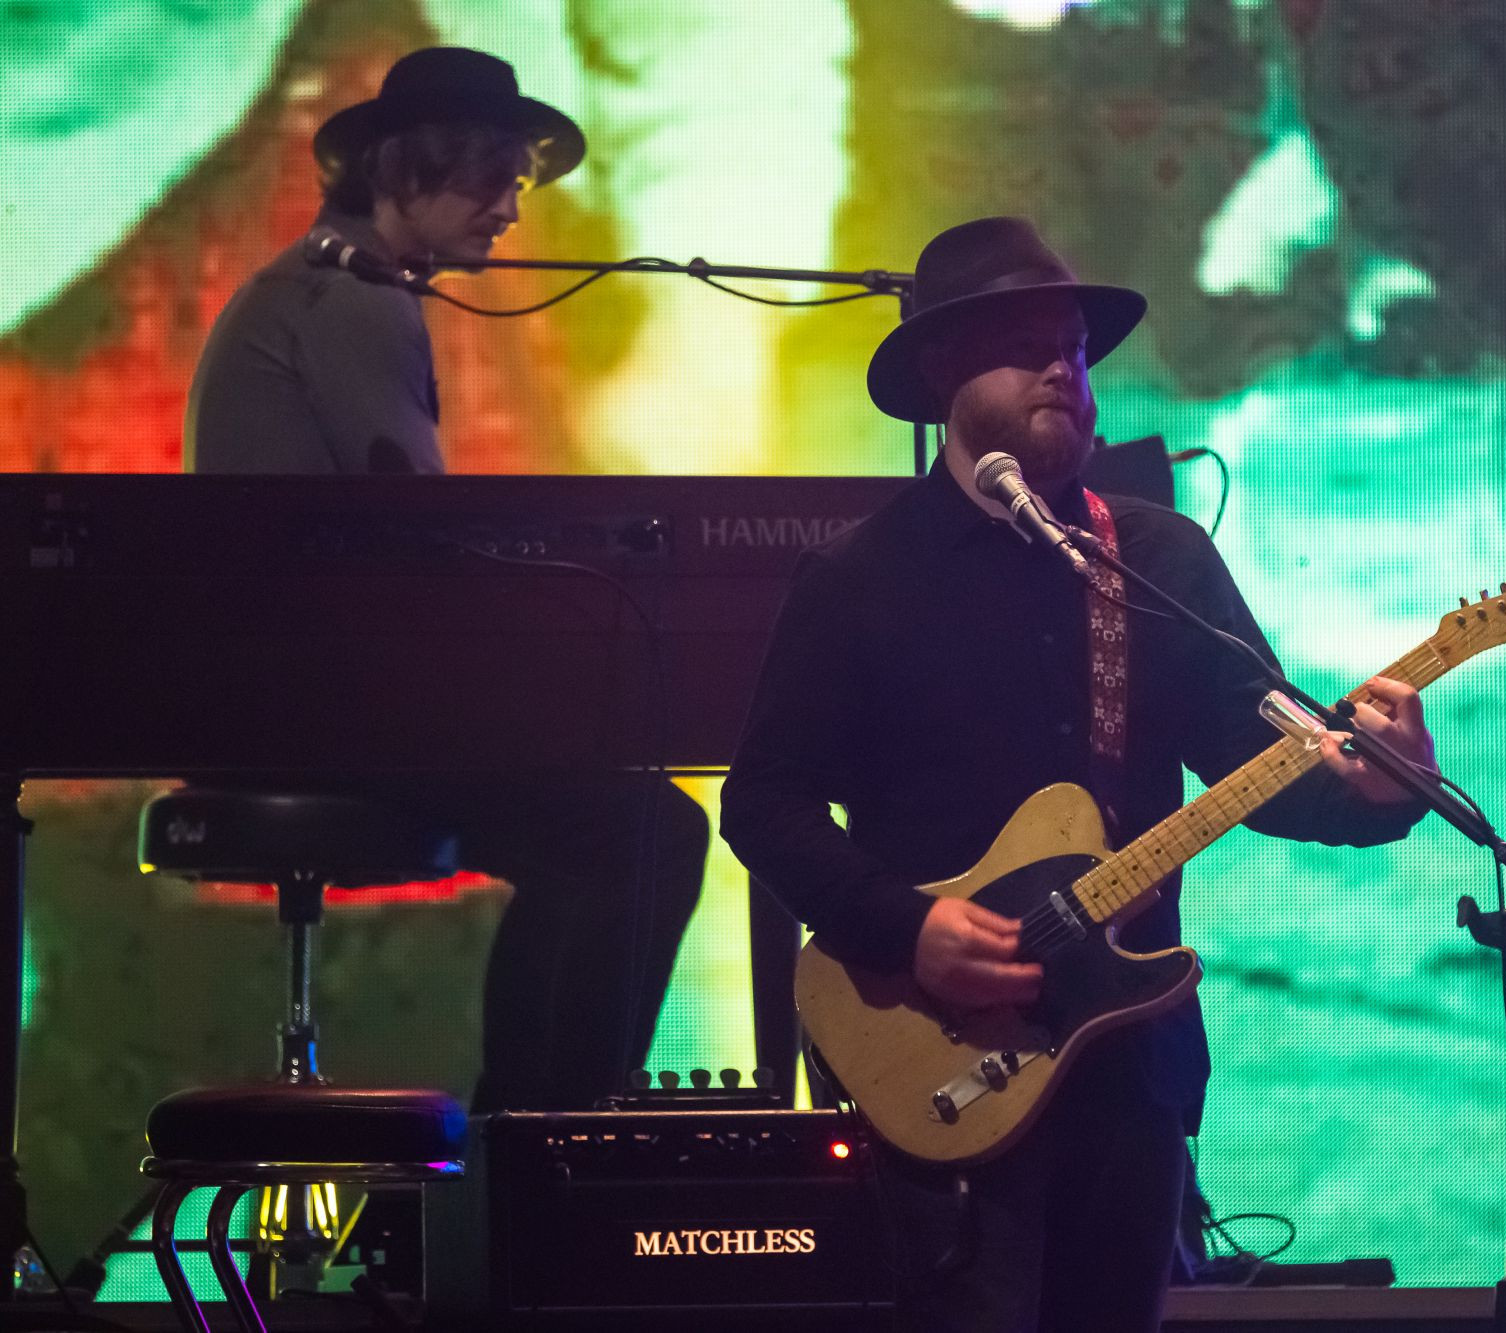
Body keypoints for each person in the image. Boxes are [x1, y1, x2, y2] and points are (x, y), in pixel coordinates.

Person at [720, 216, 1436, 1332]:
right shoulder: (857, 576)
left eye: (1074, 348)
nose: (1062, 368)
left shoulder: (1153, 557)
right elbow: (764, 803)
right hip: (936, 1052)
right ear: (942, 371)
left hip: (1125, 1057)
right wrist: (909, 927)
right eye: (1023, 345)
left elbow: (1262, 759)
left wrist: (1376, 791)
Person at [182, 46, 708, 1111]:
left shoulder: (320, 285)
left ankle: (535, 1130)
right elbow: (422, 533)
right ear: (409, 167)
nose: (510, 209)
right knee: (646, 829)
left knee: (611, 827)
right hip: (315, 714)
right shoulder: (351, 300)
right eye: (489, 179)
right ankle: (549, 1142)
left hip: (290, 697)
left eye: (515, 183)